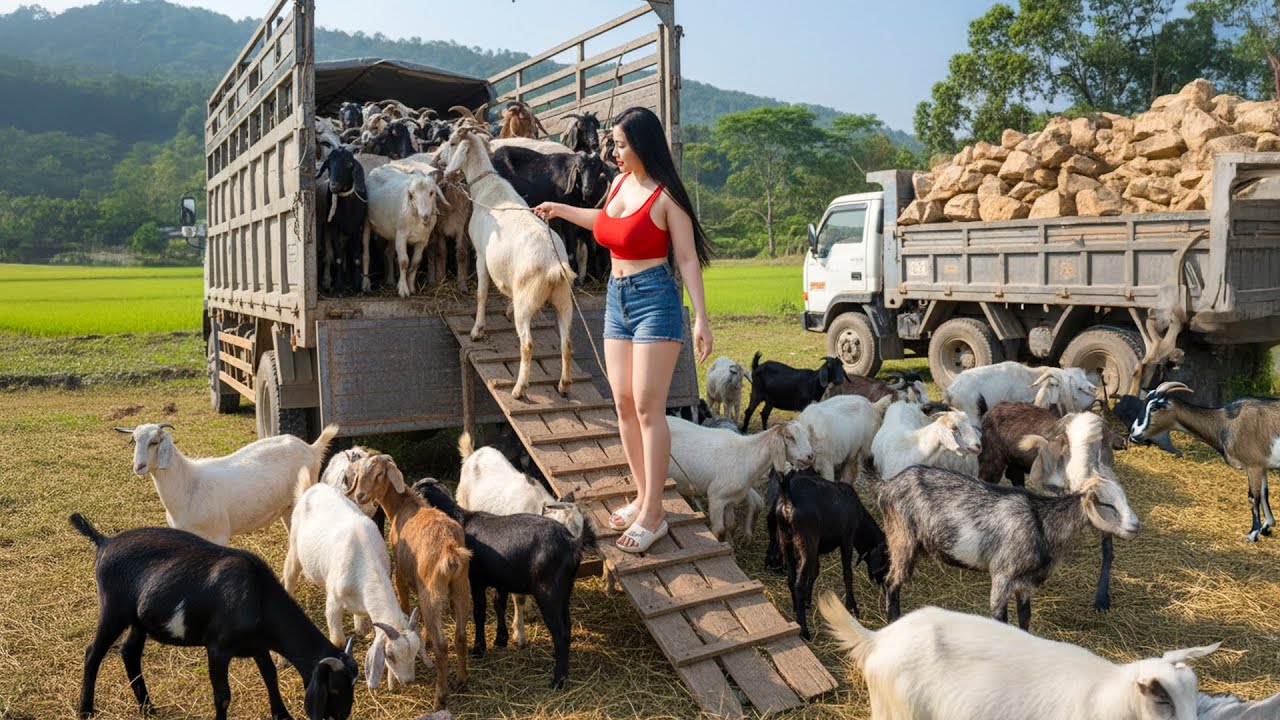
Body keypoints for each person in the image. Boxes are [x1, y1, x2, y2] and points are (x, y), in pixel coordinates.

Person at [533, 106, 712, 554]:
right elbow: (605, 223)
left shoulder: (668, 196)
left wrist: (701, 318)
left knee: (650, 408)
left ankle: (655, 513)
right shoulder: (617, 184)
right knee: (624, 404)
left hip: (656, 299)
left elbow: (687, 259)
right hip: (617, 297)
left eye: (620, 144)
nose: (613, 151)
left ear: (643, 145)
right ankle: (642, 494)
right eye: (613, 143)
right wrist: (560, 210)